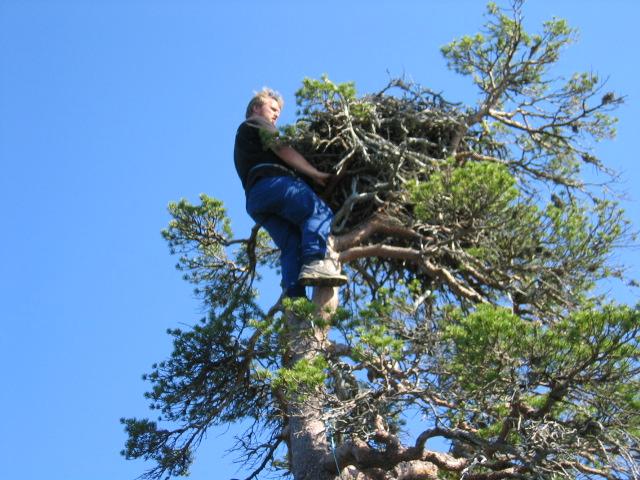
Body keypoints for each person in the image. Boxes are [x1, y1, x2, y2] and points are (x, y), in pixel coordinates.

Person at [234, 88, 347, 298]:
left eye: (278, 111)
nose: (276, 114)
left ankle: (293, 298)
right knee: (319, 212)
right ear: (256, 108)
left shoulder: (245, 142)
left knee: (292, 243)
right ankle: (315, 263)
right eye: (273, 108)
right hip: (273, 184)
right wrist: (315, 174)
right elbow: (282, 148)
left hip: (256, 200)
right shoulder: (256, 123)